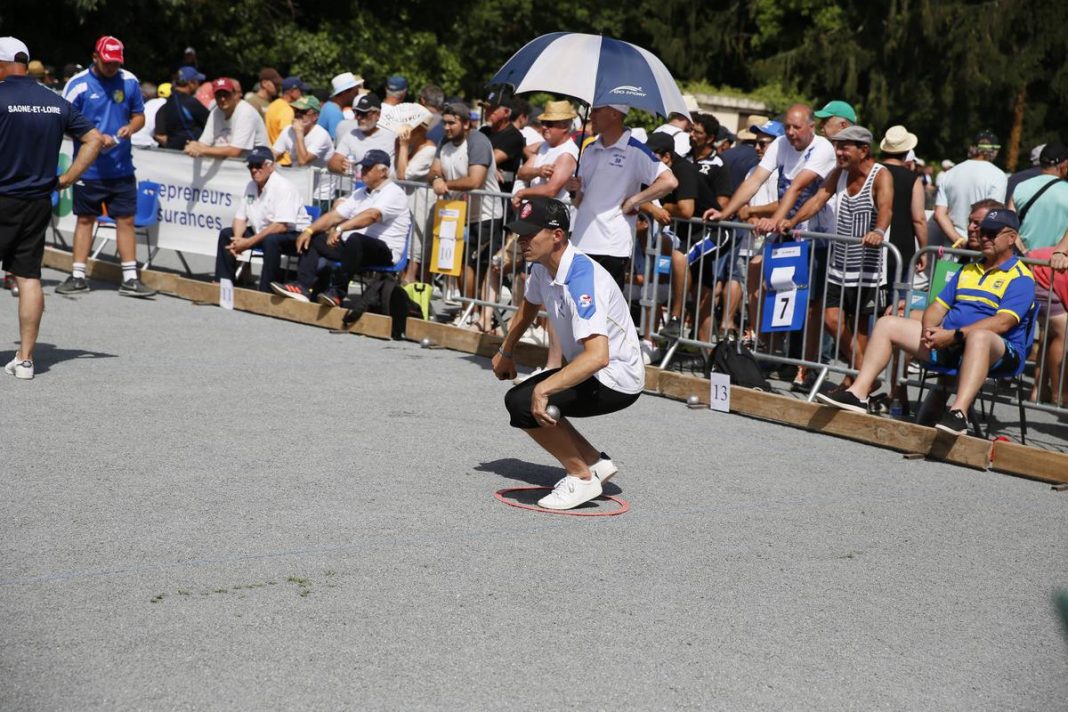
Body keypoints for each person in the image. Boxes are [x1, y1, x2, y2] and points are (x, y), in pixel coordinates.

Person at [818, 208, 1035, 435]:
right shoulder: (968, 269)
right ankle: (858, 393)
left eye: (992, 233)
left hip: (999, 350)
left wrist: (954, 334)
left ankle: (958, 413)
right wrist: (930, 331)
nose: (984, 238)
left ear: (1011, 238)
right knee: (887, 323)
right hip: (952, 341)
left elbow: (1002, 323)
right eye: (983, 233)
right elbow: (938, 306)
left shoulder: (1021, 277)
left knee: (979, 337)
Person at [492, 196, 643, 510]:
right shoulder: (543, 269)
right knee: (527, 395)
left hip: (616, 377)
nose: (521, 241)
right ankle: (593, 462)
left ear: (557, 235)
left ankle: (581, 478)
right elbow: (529, 307)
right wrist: (506, 350)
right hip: (594, 368)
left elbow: (598, 356)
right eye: (519, 234)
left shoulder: (582, 278)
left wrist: (545, 388)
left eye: (529, 234)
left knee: (523, 402)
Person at [1, 36, 104, 380]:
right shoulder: (53, 101)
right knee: (29, 277)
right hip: (37, 200)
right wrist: (67, 178)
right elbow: (94, 139)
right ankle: (26, 360)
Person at [781, 125, 893, 382]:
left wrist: (878, 230)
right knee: (831, 320)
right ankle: (866, 374)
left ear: (864, 150)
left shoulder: (881, 175)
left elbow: (886, 208)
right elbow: (818, 198)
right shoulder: (839, 173)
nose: (838, 152)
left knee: (862, 329)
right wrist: (793, 220)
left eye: (844, 147)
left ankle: (853, 382)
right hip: (839, 264)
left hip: (869, 266)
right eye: (836, 146)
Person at [57, 35, 156, 298]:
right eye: (107, 62)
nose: (112, 67)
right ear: (95, 56)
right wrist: (91, 137)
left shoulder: (129, 81)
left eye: (116, 63)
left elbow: (139, 116)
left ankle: (130, 278)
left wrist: (129, 128)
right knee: (86, 218)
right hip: (88, 168)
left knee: (126, 219)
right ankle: (78, 274)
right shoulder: (78, 85)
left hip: (121, 166)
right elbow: (63, 122)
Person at [270, 150, 410, 305]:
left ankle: (337, 292)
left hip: (385, 251)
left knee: (356, 239)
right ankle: (302, 287)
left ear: (384, 172)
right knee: (315, 238)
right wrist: (309, 230)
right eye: (362, 167)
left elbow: (372, 216)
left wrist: (340, 228)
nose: (362, 171)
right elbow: (335, 215)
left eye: (368, 168)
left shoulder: (394, 193)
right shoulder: (360, 193)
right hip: (354, 247)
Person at [566, 104, 678, 287]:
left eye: (597, 110)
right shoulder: (589, 149)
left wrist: (635, 200)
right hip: (581, 241)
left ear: (615, 114)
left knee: (605, 311)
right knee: (578, 308)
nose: (591, 115)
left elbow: (670, 181)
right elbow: (579, 202)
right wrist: (575, 190)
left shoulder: (635, 150)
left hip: (611, 247)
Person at [428, 102, 505, 325]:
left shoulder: (478, 142)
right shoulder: (444, 141)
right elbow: (433, 171)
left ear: (466, 123)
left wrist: (446, 184)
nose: (447, 127)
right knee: (459, 264)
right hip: (458, 212)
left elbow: (474, 180)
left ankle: (476, 313)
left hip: (486, 214)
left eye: (452, 123)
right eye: (444, 122)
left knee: (474, 265)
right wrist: (436, 179)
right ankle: (468, 310)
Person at [213, 146, 309, 292]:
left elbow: (281, 226)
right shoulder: (251, 186)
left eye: (258, 165)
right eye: (250, 166)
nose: (253, 170)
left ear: (271, 167)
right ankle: (223, 283)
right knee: (227, 234)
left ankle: (266, 290)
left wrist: (249, 242)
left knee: (271, 240)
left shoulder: (283, 187)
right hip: (265, 230)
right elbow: (240, 218)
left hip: (294, 234)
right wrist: (237, 241)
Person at [879, 125, 929, 307]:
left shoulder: (871, 173)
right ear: (907, 151)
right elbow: (919, 218)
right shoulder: (912, 178)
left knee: (868, 303)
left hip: (874, 245)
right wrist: (923, 250)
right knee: (897, 304)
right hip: (901, 248)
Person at [934, 130, 1007, 246]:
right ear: (994, 150)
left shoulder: (950, 173)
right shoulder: (998, 175)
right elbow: (993, 215)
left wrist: (959, 241)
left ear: (972, 147)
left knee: (948, 265)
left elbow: (939, 214)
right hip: (981, 248)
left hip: (951, 247)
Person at [271, 95, 334, 208]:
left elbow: (303, 161)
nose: (298, 116)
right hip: (297, 187)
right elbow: (273, 154)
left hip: (319, 195)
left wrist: (299, 134)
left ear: (315, 116)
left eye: (303, 112)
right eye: (296, 112)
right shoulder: (288, 130)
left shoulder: (321, 135)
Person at [184, 77, 268, 159]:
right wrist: (193, 146)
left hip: (257, 167)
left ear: (234, 95)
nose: (222, 99)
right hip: (232, 165)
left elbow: (234, 151)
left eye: (226, 95)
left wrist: (202, 150)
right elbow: (203, 143)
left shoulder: (246, 113)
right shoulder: (215, 112)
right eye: (218, 95)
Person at [1008, 142, 1068, 251]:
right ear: (1063, 165)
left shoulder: (1020, 187)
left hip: (1024, 261)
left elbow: (1009, 226)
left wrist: (1025, 253)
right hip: (1057, 262)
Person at [329, 93, 395, 174]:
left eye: (364, 113)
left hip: (382, 185)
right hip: (357, 185)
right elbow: (334, 161)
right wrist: (341, 167)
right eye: (357, 113)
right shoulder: (351, 135)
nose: (359, 118)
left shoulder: (391, 138)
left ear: (377, 115)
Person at [153, 65, 209, 151]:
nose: (199, 85)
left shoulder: (164, 107)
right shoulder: (190, 102)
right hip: (192, 154)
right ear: (191, 83)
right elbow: (211, 124)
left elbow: (159, 135)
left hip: (170, 154)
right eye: (198, 82)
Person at [480, 95, 525, 193]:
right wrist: (491, 170)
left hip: (498, 196)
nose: (486, 112)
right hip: (480, 193)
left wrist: (487, 168)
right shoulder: (483, 131)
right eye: (485, 108)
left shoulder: (514, 136)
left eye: (491, 109)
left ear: (506, 113)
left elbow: (486, 160)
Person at [265, 76, 309, 155]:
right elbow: (288, 138)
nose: (302, 95)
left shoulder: (273, 105)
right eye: (300, 91)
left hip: (273, 154)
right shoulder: (288, 110)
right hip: (285, 160)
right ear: (291, 91)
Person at [319, 72, 362, 140]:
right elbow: (339, 142)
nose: (357, 96)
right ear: (345, 92)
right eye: (355, 92)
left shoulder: (329, 107)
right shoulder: (334, 113)